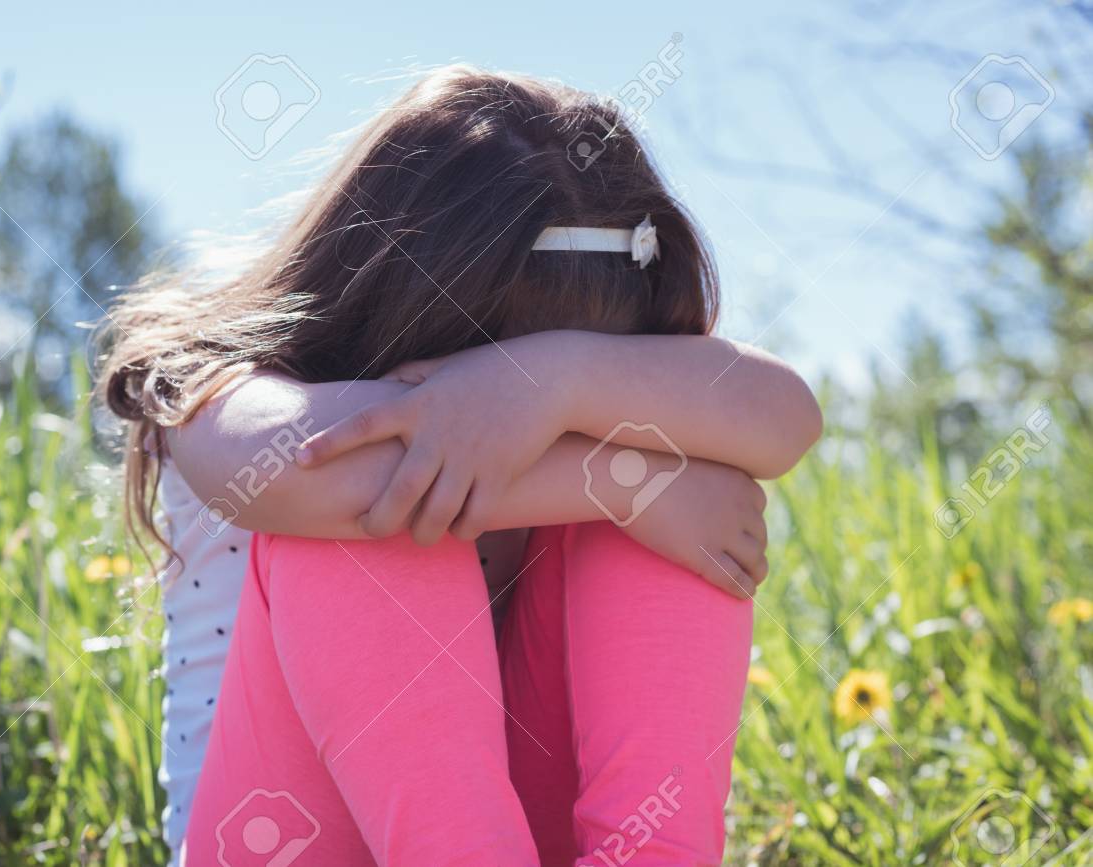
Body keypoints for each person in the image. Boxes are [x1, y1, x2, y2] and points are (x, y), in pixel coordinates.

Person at [100, 65, 821, 866]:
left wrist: (562, 383)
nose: (530, 427)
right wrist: (617, 482)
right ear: (393, 305)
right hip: (288, 839)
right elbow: (305, 472)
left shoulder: (583, 399)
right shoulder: (215, 382)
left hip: (524, 833)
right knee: (371, 507)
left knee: (661, 476)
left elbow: (788, 418)